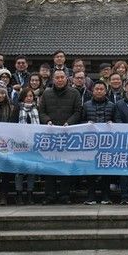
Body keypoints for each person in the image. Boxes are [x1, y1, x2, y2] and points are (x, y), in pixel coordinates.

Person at [38, 69, 82, 204]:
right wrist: (47, 121)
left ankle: (65, 195)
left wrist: (69, 123)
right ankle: (49, 195)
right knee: (49, 166)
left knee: (66, 166)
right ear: (53, 79)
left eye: (62, 77)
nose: (60, 80)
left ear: (67, 78)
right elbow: (41, 111)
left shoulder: (75, 93)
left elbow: (78, 111)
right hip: (50, 135)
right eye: (57, 77)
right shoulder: (46, 93)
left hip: (68, 135)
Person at [82, 81, 116, 205]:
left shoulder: (112, 105)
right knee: (91, 171)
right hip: (91, 143)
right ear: (93, 90)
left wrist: (113, 124)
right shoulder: (86, 105)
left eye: (102, 89)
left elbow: (116, 120)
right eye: (97, 89)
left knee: (105, 171)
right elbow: (81, 120)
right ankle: (90, 197)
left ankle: (106, 196)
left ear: (106, 91)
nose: (99, 91)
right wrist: (86, 124)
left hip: (107, 143)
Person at [11, 87, 40, 205]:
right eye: (27, 96)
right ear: (22, 97)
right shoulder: (18, 108)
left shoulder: (36, 109)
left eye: (31, 96)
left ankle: (30, 193)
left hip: (33, 143)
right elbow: (12, 124)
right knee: (19, 170)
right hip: (19, 143)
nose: (29, 98)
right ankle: (19, 194)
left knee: (31, 169)